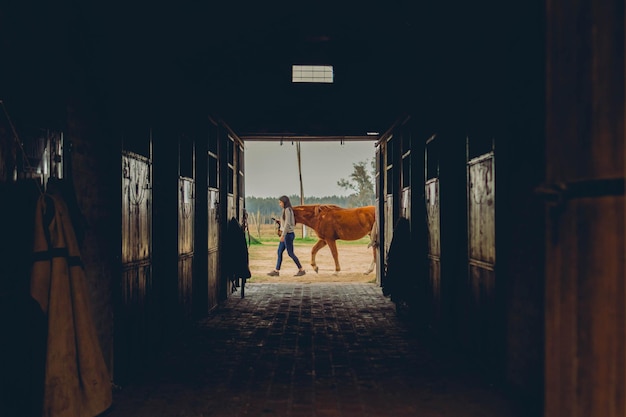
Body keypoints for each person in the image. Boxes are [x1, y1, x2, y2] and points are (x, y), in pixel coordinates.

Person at [267, 195, 306, 277]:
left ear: (284, 202)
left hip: (288, 235)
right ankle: (276, 271)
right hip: (287, 234)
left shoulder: (287, 210)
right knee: (279, 251)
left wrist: (283, 235)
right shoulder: (286, 210)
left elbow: (288, 224)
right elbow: (286, 222)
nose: (279, 204)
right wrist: (280, 222)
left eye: (280, 202)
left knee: (290, 253)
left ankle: (301, 269)